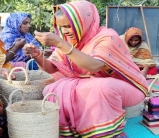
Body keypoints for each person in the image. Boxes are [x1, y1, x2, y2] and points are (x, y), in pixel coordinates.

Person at [23, 1, 148, 137]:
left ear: (84, 21)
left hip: (127, 86)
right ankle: (76, 131)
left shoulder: (107, 36)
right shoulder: (70, 40)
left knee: (100, 87)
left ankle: (104, 133)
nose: (64, 31)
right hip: (90, 83)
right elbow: (52, 69)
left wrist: (61, 43)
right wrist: (37, 56)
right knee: (52, 89)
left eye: (68, 26)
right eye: (61, 27)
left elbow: (95, 66)